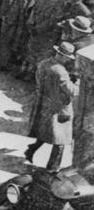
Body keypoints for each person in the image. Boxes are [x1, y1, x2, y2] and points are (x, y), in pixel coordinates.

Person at [25, 41, 79, 171]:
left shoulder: (44, 64)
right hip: (59, 109)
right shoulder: (61, 72)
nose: (68, 60)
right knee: (61, 140)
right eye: (67, 57)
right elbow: (72, 91)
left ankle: (31, 150)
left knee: (46, 132)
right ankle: (53, 168)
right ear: (63, 56)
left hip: (44, 104)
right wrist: (77, 84)